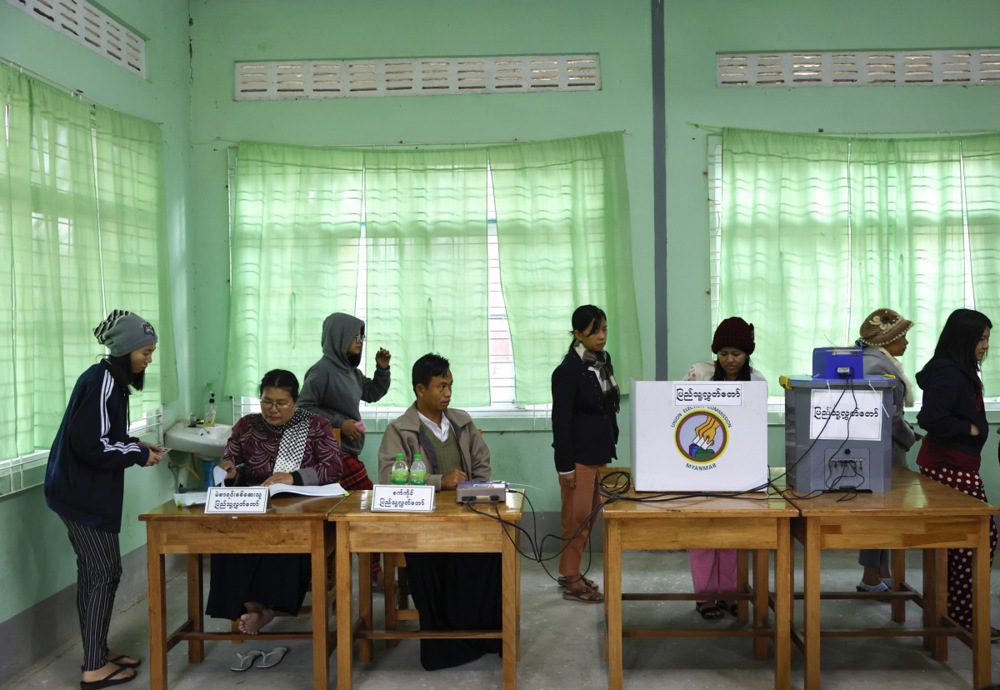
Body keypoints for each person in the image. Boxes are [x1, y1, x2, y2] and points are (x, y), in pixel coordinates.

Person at [45, 310, 162, 689]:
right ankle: (93, 668)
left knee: (96, 572)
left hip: (80, 490)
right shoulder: (103, 382)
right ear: (126, 350)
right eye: (145, 352)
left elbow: (105, 433)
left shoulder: (109, 379)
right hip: (80, 494)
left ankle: (97, 652)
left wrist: (134, 444)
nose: (149, 359)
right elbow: (91, 444)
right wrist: (137, 454)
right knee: (103, 573)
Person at [376, 353, 499, 670]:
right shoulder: (400, 430)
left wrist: (476, 490)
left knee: (491, 553)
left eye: (450, 386)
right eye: (441, 386)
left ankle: (483, 636)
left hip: (465, 518)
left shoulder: (462, 423)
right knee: (427, 561)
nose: (448, 393)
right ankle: (444, 646)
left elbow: (482, 467)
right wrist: (439, 482)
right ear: (420, 389)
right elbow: (389, 479)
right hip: (421, 524)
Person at [205, 369, 342, 636]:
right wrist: (229, 471)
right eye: (267, 401)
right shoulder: (246, 426)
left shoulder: (315, 425)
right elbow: (231, 460)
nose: (273, 409)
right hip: (252, 505)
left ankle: (266, 607)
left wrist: (293, 477)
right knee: (227, 538)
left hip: (297, 508)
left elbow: (333, 468)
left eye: (281, 403)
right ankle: (254, 608)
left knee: (285, 537)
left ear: (295, 401)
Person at [915, 308, 998, 637]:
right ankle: (963, 617)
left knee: (969, 541)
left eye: (987, 338)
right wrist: (970, 429)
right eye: (981, 338)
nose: (986, 345)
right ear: (965, 339)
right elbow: (930, 418)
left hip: (957, 463)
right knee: (973, 541)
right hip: (949, 466)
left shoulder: (957, 368)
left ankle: (954, 611)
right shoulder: (949, 372)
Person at [299, 312, 390, 588]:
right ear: (338, 337)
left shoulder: (351, 372)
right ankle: (372, 572)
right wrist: (340, 423)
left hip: (348, 450)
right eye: (355, 336)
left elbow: (372, 393)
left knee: (336, 512)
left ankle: (333, 574)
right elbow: (303, 409)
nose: (360, 341)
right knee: (369, 501)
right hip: (330, 453)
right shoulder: (321, 372)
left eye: (362, 336)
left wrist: (382, 369)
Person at [682, 316, 765, 620]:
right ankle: (705, 596)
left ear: (747, 354)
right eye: (723, 353)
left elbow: (756, 427)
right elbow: (680, 414)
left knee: (732, 533)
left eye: (737, 354)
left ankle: (730, 593)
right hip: (701, 466)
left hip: (739, 470)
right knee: (703, 533)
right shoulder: (699, 374)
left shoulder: (757, 381)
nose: (730, 360)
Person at [551, 305, 620, 604]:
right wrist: (564, 466)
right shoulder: (567, 371)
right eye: (594, 332)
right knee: (576, 519)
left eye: (604, 329)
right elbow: (560, 422)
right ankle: (571, 580)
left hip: (598, 452)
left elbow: (606, 410)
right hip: (577, 458)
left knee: (589, 518)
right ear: (578, 334)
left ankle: (571, 572)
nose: (601, 336)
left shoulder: (603, 362)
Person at [854, 309, 920, 593]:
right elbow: (888, 417)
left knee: (885, 511)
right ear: (886, 339)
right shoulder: (876, 366)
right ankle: (870, 577)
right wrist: (909, 436)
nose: (906, 342)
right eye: (902, 337)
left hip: (883, 445)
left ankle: (882, 571)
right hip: (883, 449)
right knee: (878, 513)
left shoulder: (876, 360)